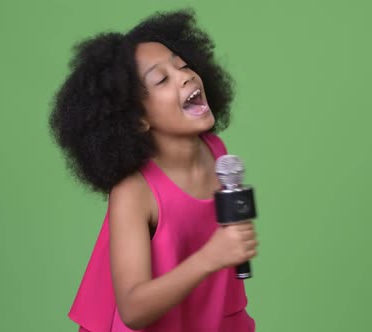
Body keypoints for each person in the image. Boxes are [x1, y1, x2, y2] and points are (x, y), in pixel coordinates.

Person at [48, 8, 258, 332]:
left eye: (183, 65)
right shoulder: (134, 192)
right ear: (137, 119)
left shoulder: (217, 152)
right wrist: (212, 256)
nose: (184, 75)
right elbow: (132, 308)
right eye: (162, 79)